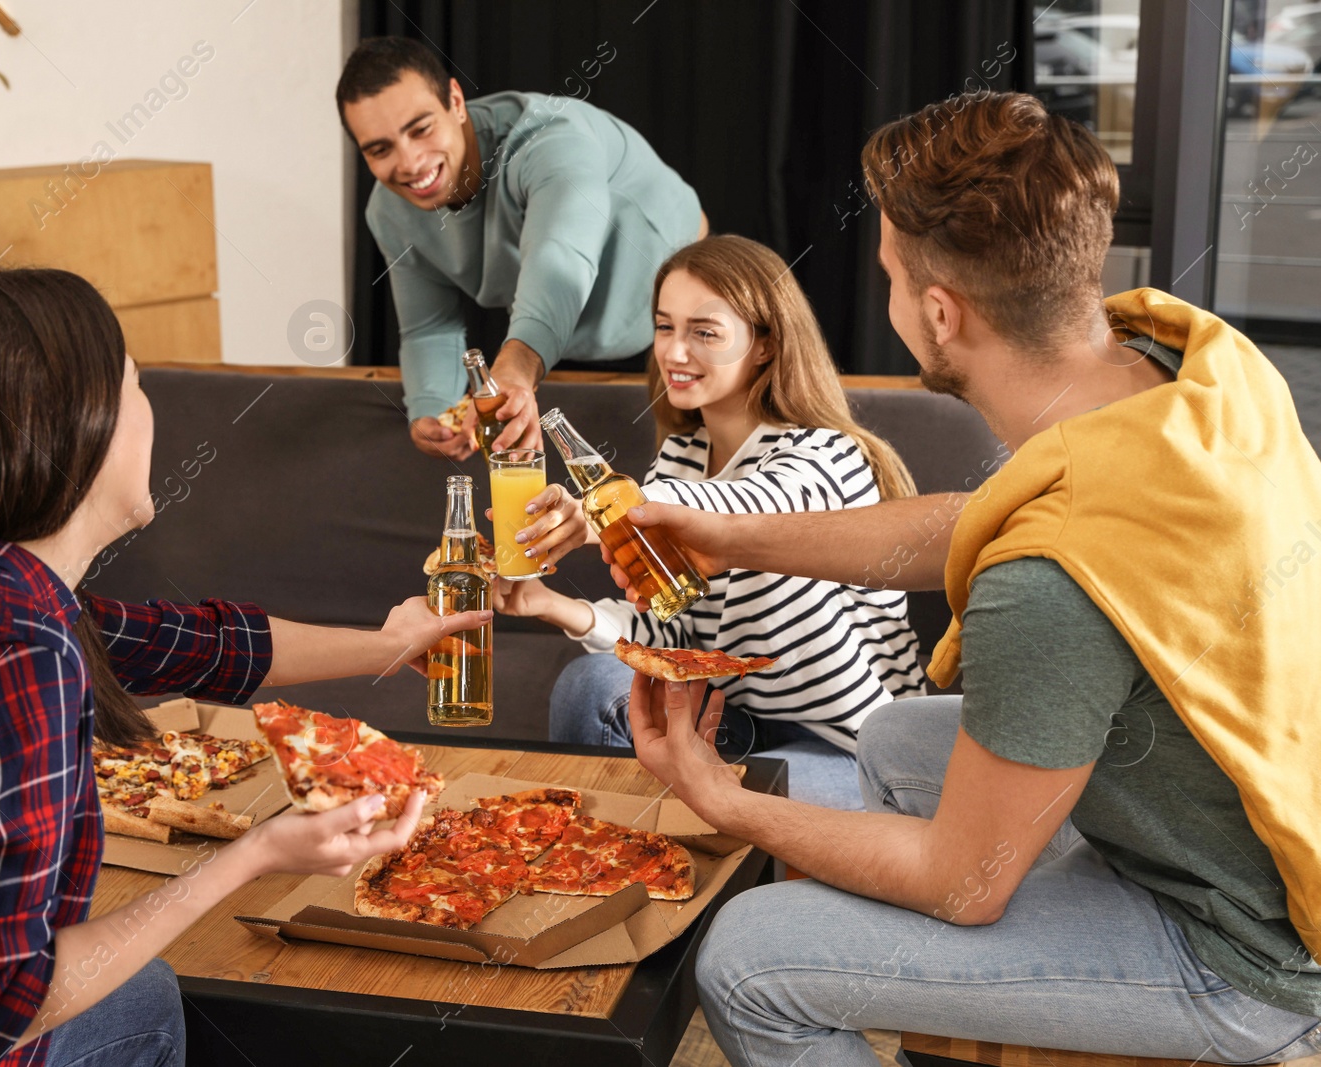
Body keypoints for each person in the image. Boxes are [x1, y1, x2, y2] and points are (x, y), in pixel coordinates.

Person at [606, 93, 1321, 1062]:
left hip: (1242, 951)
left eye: (892, 275)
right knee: (898, 735)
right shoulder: (1188, 365)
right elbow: (968, 526)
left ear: (939, 314)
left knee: (743, 957)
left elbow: (966, 880)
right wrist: (731, 538)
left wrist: (724, 799)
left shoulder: (1046, 580)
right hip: (1248, 818)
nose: (887, 290)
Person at [0, 269, 490, 1067]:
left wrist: (391, 641)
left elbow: (202, 645)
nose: (151, 411)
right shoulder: (11, 657)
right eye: (136, 386)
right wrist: (254, 854)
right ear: (71, 430)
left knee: (145, 994)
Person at [492, 235, 923, 810]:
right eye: (665, 327)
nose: (674, 352)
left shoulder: (827, 455)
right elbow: (679, 634)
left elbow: (753, 508)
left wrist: (599, 514)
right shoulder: (681, 459)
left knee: (735, 794)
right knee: (589, 683)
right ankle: (611, 864)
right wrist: (548, 605)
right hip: (734, 727)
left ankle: (641, 848)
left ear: (765, 344)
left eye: (705, 332)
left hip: (851, 754)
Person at [336, 36, 707, 459]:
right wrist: (432, 410)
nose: (410, 163)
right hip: (550, 344)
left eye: (420, 129)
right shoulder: (389, 209)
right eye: (380, 149)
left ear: (455, 102)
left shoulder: (551, 140)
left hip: (669, 331)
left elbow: (559, 259)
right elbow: (430, 326)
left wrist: (513, 370)